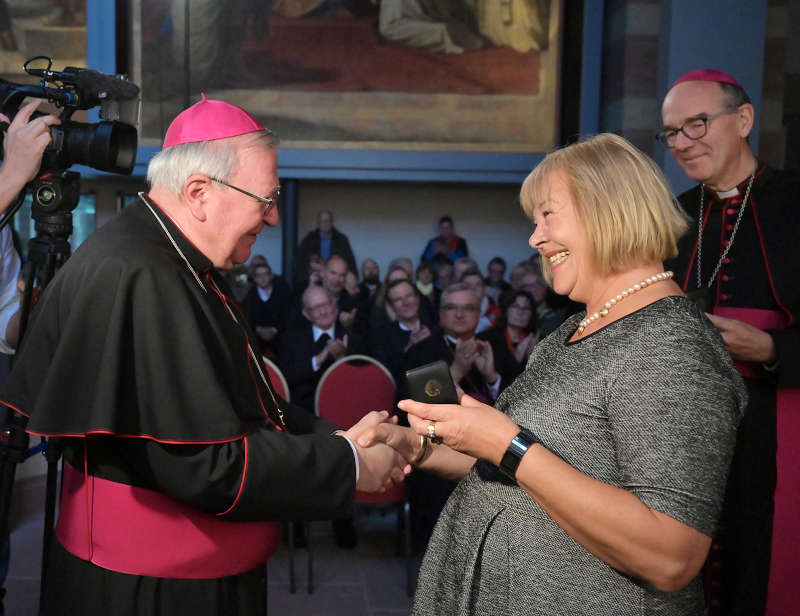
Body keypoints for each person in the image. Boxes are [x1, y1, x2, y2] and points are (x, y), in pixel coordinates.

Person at [0, 96, 403, 616]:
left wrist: (342, 439)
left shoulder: (181, 264)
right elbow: (203, 464)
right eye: (267, 198)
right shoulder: (142, 275)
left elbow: (249, 405)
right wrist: (347, 464)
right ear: (199, 193)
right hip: (152, 592)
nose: (276, 216)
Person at [361, 133, 746, 615]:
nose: (534, 237)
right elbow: (526, 468)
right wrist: (417, 446)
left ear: (608, 209)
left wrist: (507, 442)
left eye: (549, 215)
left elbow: (672, 554)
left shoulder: (671, 344)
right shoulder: (572, 329)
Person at [660, 68, 800, 616]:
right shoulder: (672, 216)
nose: (683, 142)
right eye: (671, 132)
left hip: (780, 418)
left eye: (697, 124)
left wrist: (769, 350)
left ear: (743, 120)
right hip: (690, 424)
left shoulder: (793, 202)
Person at [369, 278, 438, 385]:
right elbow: (386, 380)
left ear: (417, 298)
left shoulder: (435, 328)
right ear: (391, 306)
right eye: (398, 299)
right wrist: (409, 348)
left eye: (409, 296)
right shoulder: (382, 337)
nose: (405, 302)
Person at [480, 289, 539, 387]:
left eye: (526, 308)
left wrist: (532, 357)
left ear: (532, 314)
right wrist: (516, 358)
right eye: (515, 306)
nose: (521, 312)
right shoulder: (487, 339)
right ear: (506, 310)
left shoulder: (538, 340)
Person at [240, 260, 292, 358]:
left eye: (265, 274)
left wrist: (274, 330)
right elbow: (247, 319)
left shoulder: (282, 293)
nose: (262, 278)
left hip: (280, 335)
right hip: (257, 336)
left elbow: (288, 316)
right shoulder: (249, 297)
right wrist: (259, 330)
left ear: (271, 276)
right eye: (258, 276)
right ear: (254, 279)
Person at [295, 210, 356, 287]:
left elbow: (350, 261)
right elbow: (300, 262)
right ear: (318, 223)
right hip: (313, 277)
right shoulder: (309, 239)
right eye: (322, 221)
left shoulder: (342, 240)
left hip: (336, 279)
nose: (325, 223)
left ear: (332, 222)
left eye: (327, 220)